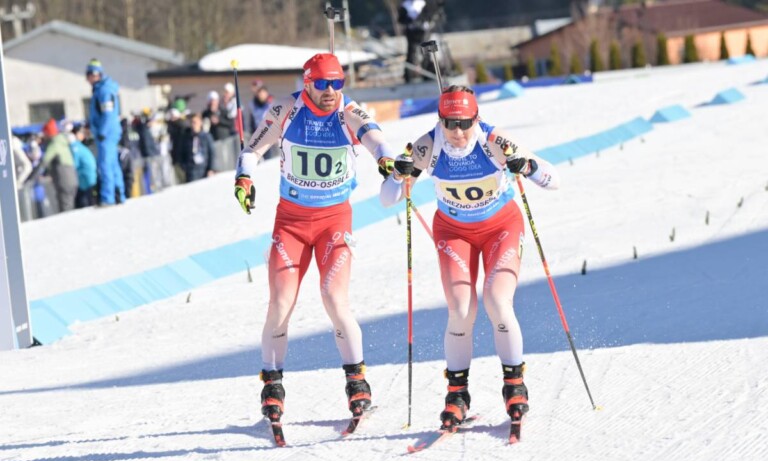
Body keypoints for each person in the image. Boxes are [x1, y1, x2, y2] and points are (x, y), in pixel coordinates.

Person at [379, 85, 560, 431]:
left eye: (464, 123)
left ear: (476, 119)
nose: (458, 132)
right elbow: (388, 198)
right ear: (440, 120)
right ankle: (457, 394)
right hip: (454, 233)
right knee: (461, 309)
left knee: (497, 301)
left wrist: (529, 166)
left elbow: (554, 180)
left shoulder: (494, 142)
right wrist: (398, 173)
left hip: (501, 229)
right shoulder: (427, 146)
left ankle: (514, 385)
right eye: (450, 123)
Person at [234, 52, 397, 425]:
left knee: (334, 298)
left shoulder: (348, 111)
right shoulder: (286, 110)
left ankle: (357, 383)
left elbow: (376, 139)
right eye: (322, 84)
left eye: (337, 83)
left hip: (333, 221)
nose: (330, 91)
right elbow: (252, 149)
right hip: (291, 223)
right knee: (280, 303)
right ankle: (272, 385)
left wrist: (385, 159)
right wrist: (243, 177)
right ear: (307, 83)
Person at [86, 58, 125, 205]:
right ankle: (118, 194)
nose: (88, 79)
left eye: (89, 75)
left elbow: (108, 114)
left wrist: (102, 132)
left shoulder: (104, 91)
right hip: (108, 132)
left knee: (105, 165)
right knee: (113, 164)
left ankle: (108, 197)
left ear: (96, 75)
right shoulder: (102, 89)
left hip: (106, 134)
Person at [37, 118, 79, 212]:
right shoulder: (62, 141)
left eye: (45, 133)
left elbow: (45, 160)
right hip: (71, 179)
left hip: (64, 180)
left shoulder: (55, 143)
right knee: (69, 206)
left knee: (66, 209)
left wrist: (33, 176)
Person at [398, 0, 442, 83]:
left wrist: (422, 19)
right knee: (411, 54)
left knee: (426, 53)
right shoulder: (406, 5)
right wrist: (410, 20)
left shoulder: (424, 3)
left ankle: (427, 75)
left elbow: (431, 15)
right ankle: (408, 77)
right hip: (411, 32)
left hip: (424, 32)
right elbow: (400, 19)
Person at [180, 113, 215, 182]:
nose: (193, 125)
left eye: (195, 122)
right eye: (192, 122)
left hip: (204, 169)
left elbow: (212, 153)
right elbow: (181, 153)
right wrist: (185, 167)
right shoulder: (186, 137)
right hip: (191, 171)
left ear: (200, 123)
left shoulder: (206, 137)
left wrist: (211, 169)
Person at [69, 125, 98, 208]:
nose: (83, 134)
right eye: (81, 132)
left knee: (85, 203)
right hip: (89, 178)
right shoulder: (79, 146)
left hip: (86, 180)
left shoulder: (75, 147)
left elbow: (74, 164)